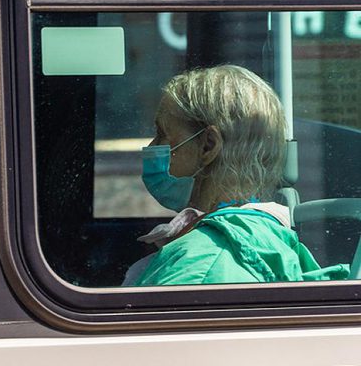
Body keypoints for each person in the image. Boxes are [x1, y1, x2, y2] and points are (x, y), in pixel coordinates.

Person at [123, 65, 349, 286]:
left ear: (208, 146)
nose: (153, 145)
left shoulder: (202, 266)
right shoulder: (258, 234)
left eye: (162, 133)